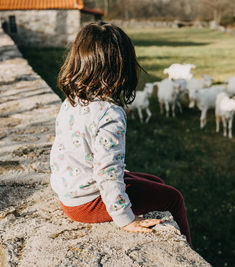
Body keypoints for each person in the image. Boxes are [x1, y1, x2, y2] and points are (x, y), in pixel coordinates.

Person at [50, 21, 192, 248]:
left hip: (70, 193)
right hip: (86, 202)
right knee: (173, 198)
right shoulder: (110, 113)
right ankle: (189, 254)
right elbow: (107, 172)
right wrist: (124, 218)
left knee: (155, 182)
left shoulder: (72, 100)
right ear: (122, 66)